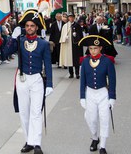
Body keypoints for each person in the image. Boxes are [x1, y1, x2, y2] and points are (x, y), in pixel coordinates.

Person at [12, 9, 53, 154]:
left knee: (36, 112)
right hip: (22, 79)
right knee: (24, 112)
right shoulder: (20, 40)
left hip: (36, 79)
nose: (29, 28)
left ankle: (37, 143)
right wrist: (12, 38)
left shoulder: (43, 44)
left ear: (37, 27)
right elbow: (6, 52)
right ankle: (28, 140)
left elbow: (47, 64)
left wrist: (49, 84)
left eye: (32, 26)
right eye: (27, 25)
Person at [78, 35, 116, 154]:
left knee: (104, 118)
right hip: (90, 93)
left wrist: (112, 97)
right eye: (90, 48)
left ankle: (103, 146)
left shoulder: (107, 61)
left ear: (100, 48)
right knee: (91, 118)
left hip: (103, 93)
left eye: (95, 48)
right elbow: (82, 80)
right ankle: (95, 138)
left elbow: (112, 80)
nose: (93, 51)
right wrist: (82, 97)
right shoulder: (84, 61)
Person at [59, 13, 84, 78]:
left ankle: (77, 73)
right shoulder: (65, 26)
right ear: (68, 18)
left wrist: (77, 37)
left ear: (74, 18)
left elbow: (81, 35)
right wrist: (65, 37)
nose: (71, 18)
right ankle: (71, 73)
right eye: (70, 17)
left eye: (72, 17)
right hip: (68, 45)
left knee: (76, 60)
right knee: (69, 60)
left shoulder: (77, 25)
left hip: (75, 45)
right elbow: (62, 35)